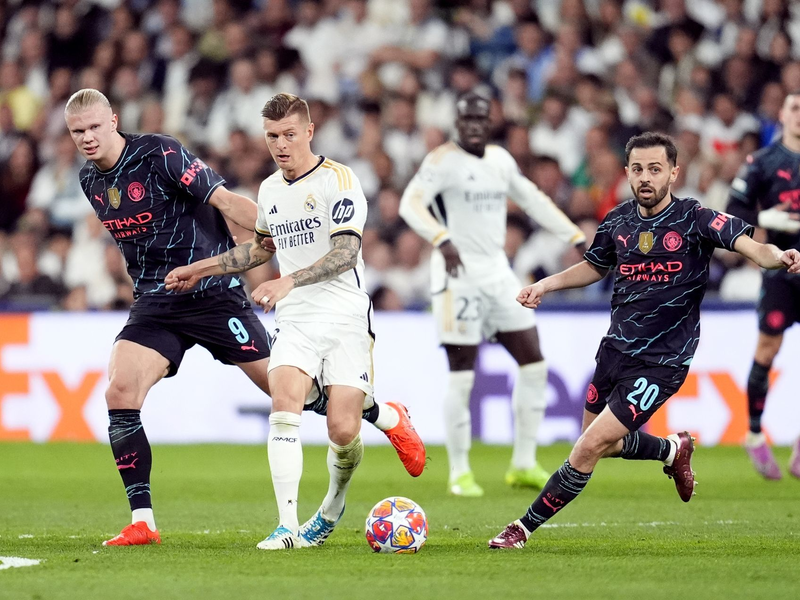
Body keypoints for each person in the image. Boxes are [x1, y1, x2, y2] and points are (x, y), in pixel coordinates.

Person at [64, 89, 423, 548]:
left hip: (216, 295)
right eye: (78, 132)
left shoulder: (160, 154)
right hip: (159, 298)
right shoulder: (89, 180)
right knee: (119, 390)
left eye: (95, 127)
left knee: (295, 396)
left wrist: (282, 250)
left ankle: (380, 414)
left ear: (114, 119)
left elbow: (229, 205)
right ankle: (143, 520)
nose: (88, 138)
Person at [488, 132, 800, 549]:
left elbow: (750, 247)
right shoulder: (618, 221)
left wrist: (778, 256)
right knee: (603, 444)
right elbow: (593, 267)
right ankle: (672, 450)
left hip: (663, 360)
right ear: (627, 174)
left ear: (674, 172)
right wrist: (546, 285)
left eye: (655, 169)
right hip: (615, 350)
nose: (645, 177)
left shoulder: (695, 218)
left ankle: (520, 529)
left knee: (587, 447)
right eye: (637, 169)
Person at [398, 92, 586, 497]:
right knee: (463, 372)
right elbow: (409, 205)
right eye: (466, 119)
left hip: (498, 271)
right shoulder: (442, 160)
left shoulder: (500, 160)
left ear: (490, 121)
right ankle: (460, 472)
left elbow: (532, 199)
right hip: (456, 275)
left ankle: (522, 463)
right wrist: (442, 238)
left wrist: (574, 235)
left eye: (480, 119)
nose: (473, 126)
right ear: (457, 122)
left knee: (533, 361)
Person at [726, 91, 800, 480]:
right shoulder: (763, 162)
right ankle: (754, 435)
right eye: (795, 108)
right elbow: (732, 209)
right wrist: (765, 216)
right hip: (779, 272)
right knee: (768, 349)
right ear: (783, 115)